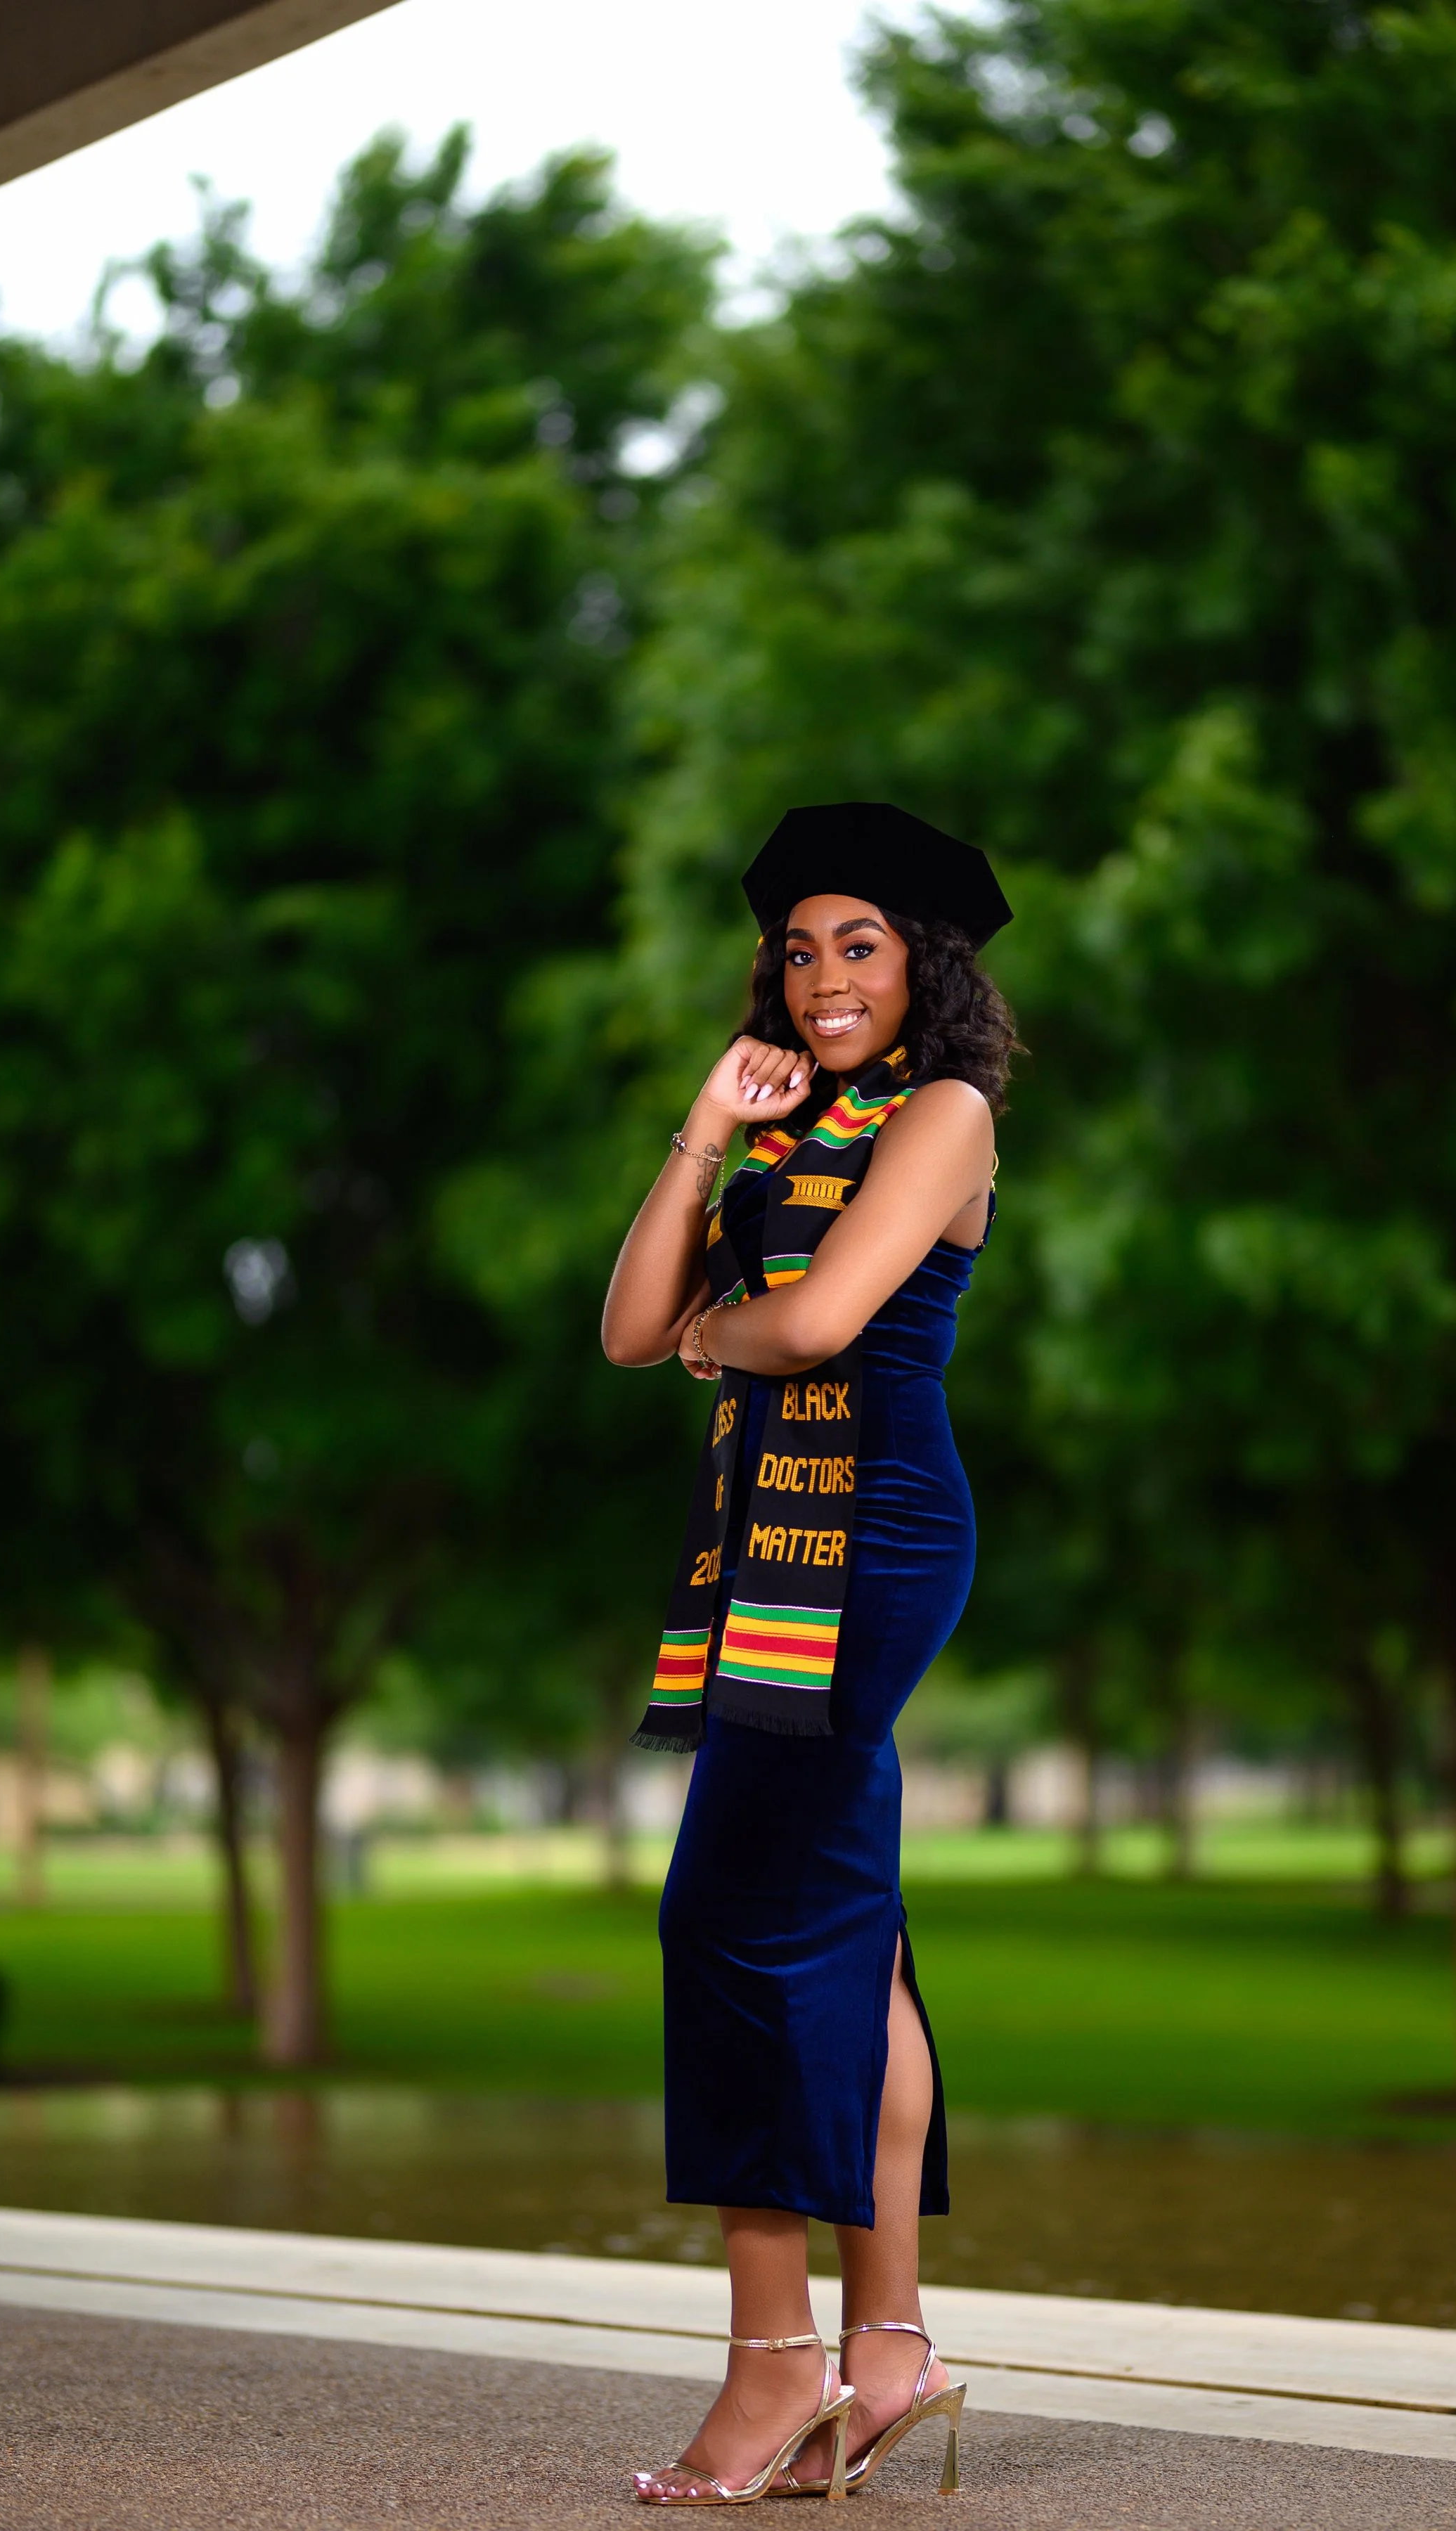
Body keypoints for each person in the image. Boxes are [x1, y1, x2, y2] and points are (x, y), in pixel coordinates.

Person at [602, 801, 1018, 2506]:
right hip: (766, 1536)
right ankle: (890, 2348)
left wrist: (724, 1332)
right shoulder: (787, 1125)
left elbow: (823, 1320)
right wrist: (706, 1128)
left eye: (860, 944)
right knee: (845, 1928)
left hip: (870, 1535)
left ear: (924, 965)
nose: (823, 975)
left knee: (724, 1917)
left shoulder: (944, 1111)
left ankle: (775, 2361)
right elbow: (632, 1328)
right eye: (797, 949)